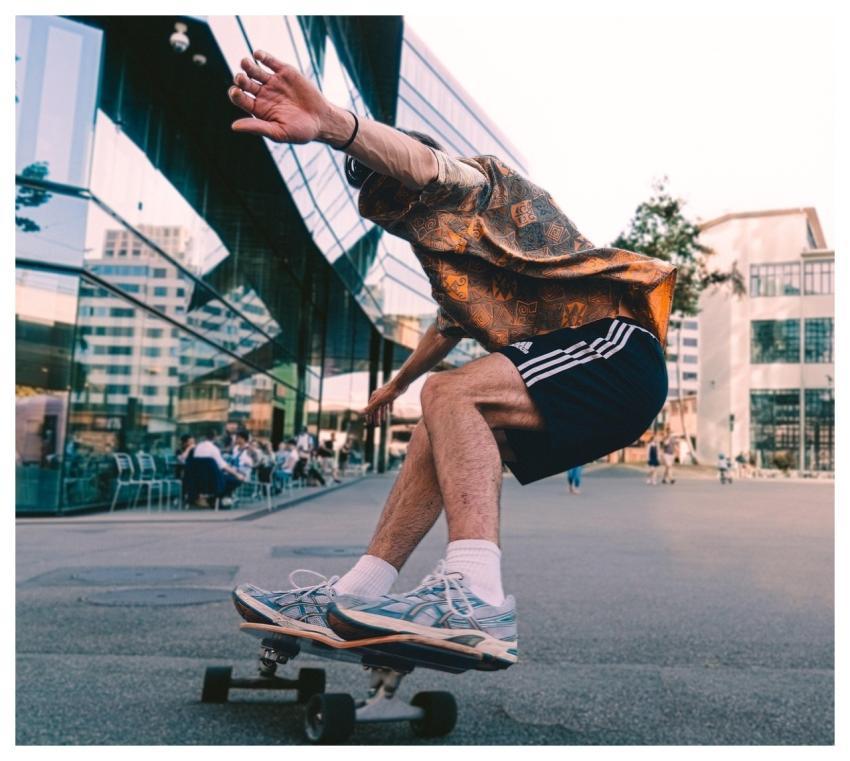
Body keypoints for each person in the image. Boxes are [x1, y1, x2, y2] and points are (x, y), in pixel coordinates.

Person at [227, 50, 675, 665]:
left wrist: (334, 125)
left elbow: (426, 167)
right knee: (434, 430)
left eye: (393, 192)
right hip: (591, 383)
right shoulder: (453, 268)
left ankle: (475, 595)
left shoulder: (477, 186)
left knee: (450, 393)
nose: (396, 215)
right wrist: (393, 386)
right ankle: (356, 596)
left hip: (613, 352)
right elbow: (446, 328)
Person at [192, 429, 247, 507]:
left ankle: (214, 499)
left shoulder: (198, 447)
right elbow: (223, 466)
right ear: (215, 437)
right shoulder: (213, 449)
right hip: (214, 479)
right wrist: (237, 475)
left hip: (199, 479)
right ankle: (216, 499)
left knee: (228, 478)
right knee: (236, 480)